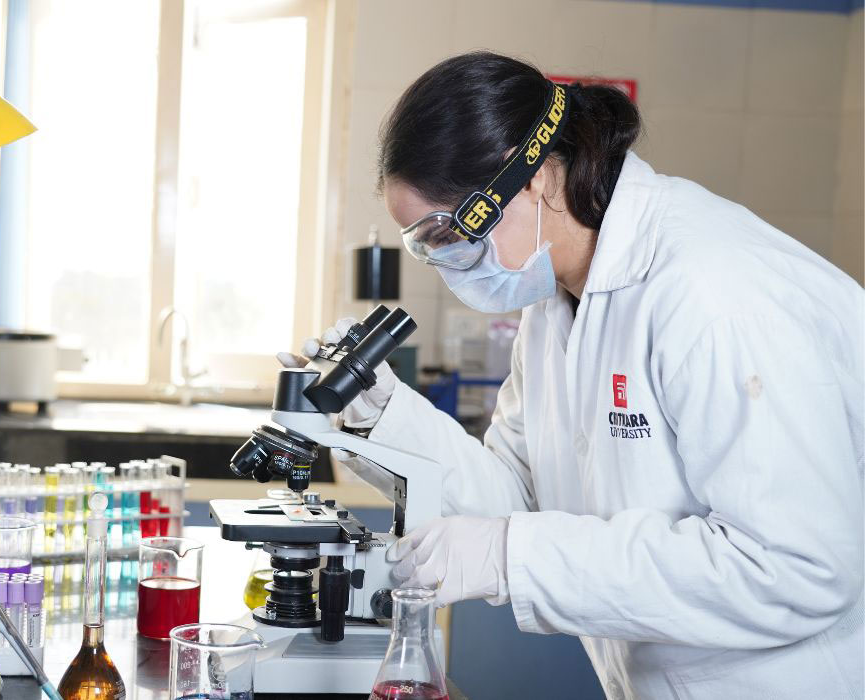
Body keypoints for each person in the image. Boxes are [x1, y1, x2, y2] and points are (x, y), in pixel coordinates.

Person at [280, 52, 863, 699]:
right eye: (424, 245)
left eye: (447, 232)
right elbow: (515, 499)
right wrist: (380, 412)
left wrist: (511, 558)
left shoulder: (715, 290)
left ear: (532, 178)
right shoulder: (553, 306)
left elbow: (798, 567)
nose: (443, 263)